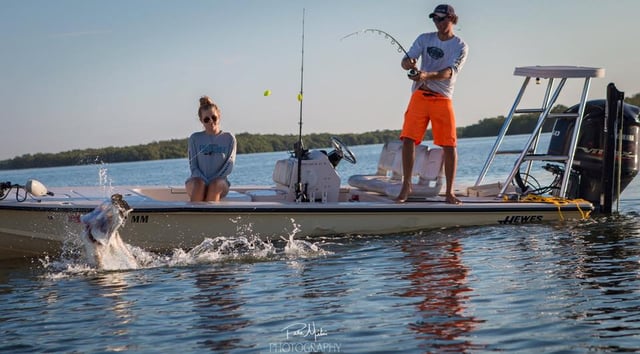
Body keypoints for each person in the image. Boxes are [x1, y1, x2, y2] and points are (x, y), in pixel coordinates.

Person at [396, 4, 468, 204]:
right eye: (434, 19)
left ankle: (449, 192)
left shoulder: (460, 46)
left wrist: (427, 75)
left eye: (441, 18)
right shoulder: (424, 38)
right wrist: (408, 64)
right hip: (420, 95)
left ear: (451, 19)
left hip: (442, 98)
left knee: (449, 144)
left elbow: (449, 73)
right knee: (408, 139)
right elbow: (405, 61)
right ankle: (406, 185)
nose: (437, 22)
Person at [185, 96, 236, 202]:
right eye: (206, 119)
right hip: (197, 181)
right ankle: (194, 216)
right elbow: (193, 166)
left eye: (214, 117)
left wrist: (212, 181)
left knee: (215, 185)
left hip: (221, 183)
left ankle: (210, 217)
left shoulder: (229, 138)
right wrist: (204, 181)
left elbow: (229, 165)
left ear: (219, 115)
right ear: (201, 121)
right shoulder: (194, 138)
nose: (211, 121)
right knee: (200, 184)